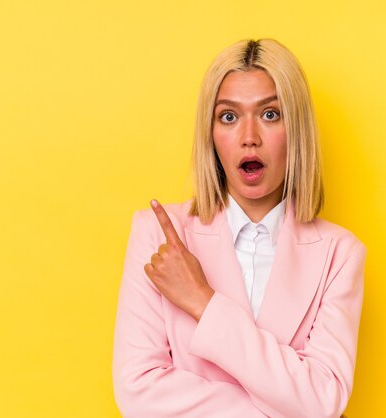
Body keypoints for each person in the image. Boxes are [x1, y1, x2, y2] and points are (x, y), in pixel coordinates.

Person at [112, 38, 366, 418]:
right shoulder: (159, 235)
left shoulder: (339, 255)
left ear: (296, 128)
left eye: (270, 114)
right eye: (229, 116)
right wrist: (290, 403)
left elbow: (324, 398)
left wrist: (203, 301)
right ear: (211, 134)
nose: (249, 137)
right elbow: (138, 391)